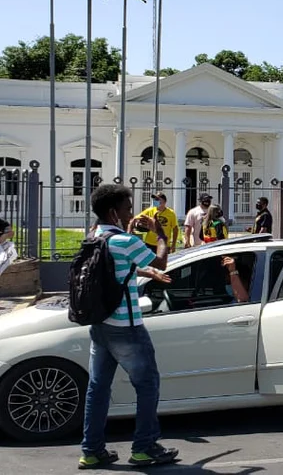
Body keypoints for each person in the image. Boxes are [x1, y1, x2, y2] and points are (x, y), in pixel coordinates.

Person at [79, 184, 178, 469]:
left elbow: (118, 266)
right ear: (114, 211)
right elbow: (161, 258)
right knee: (148, 385)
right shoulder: (126, 241)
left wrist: (147, 272)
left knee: (98, 388)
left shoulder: (93, 236)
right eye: (127, 208)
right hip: (127, 328)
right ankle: (144, 448)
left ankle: (92, 450)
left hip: (100, 325)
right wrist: (159, 232)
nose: (131, 213)